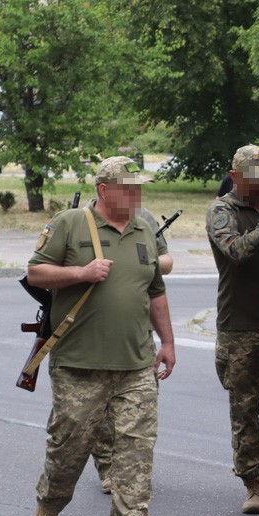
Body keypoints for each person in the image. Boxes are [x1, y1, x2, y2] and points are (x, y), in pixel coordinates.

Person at [28, 156, 175, 516]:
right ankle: (50, 507)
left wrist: (167, 341)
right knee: (69, 446)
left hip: (136, 362)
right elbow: (36, 272)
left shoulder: (145, 228)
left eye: (139, 188)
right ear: (104, 190)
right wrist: (81, 273)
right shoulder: (70, 223)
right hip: (79, 362)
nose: (136, 195)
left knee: (136, 446)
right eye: (128, 188)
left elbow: (155, 291)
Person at [205, 145, 259, 514]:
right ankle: (253, 482)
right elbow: (237, 252)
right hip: (239, 325)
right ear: (235, 174)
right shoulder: (221, 211)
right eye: (252, 177)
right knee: (244, 410)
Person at [91, 205, 174, 495]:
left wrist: (140, 262)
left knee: (141, 406)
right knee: (100, 407)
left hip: (138, 328)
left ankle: (131, 471)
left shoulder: (145, 219)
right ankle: (106, 464)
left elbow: (166, 261)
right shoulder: (82, 222)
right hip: (94, 330)